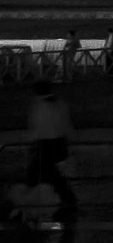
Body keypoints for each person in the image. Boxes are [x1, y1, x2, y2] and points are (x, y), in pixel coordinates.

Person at [25, 80, 76, 215]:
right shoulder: (60, 104)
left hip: (45, 145)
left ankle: (23, 203)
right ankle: (67, 201)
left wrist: (32, 144)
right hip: (60, 144)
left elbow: (36, 128)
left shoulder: (38, 106)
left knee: (36, 175)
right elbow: (67, 125)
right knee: (55, 176)